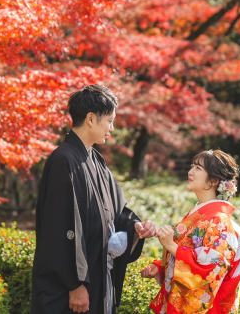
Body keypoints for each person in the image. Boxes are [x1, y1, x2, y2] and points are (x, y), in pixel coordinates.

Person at [31, 84, 158, 314]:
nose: (111, 128)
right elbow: (58, 229)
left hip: (97, 274)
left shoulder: (96, 160)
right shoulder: (63, 160)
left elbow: (117, 211)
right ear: (90, 119)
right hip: (72, 287)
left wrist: (136, 226)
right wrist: (75, 284)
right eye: (109, 121)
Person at [140, 150, 240, 314]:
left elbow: (213, 267)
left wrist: (171, 246)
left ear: (213, 181)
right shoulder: (203, 214)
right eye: (192, 166)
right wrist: (160, 267)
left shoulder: (219, 220)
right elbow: (190, 252)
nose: (190, 172)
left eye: (198, 168)